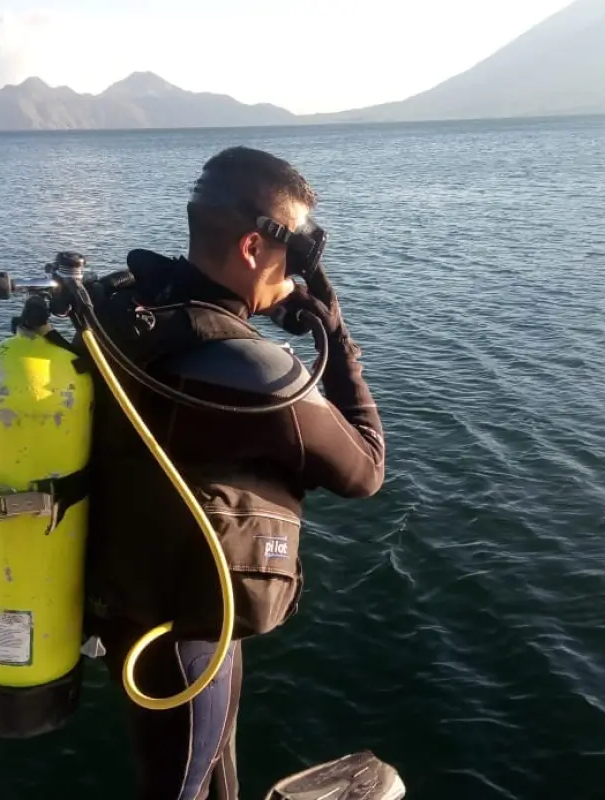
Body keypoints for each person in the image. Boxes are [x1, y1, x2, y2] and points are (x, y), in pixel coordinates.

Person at [81, 145, 386, 800]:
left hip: (127, 601)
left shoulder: (130, 314)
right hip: (186, 628)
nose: (299, 274)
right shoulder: (255, 375)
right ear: (253, 246)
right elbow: (366, 469)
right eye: (296, 259)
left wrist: (254, 303)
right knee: (184, 787)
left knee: (205, 776)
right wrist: (334, 329)